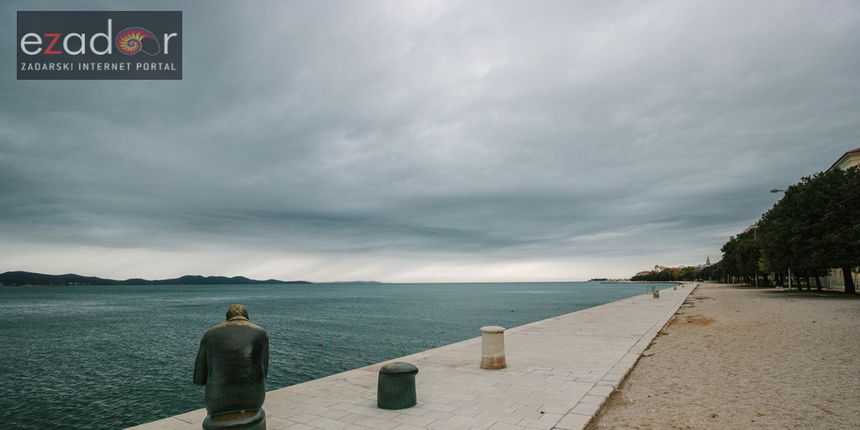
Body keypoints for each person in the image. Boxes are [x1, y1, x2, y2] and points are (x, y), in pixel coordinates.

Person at [194, 304, 269, 429]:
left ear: (227, 317)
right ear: (246, 317)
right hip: (254, 400)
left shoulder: (209, 334)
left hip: (217, 403)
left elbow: (199, 379)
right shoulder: (261, 333)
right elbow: (263, 373)